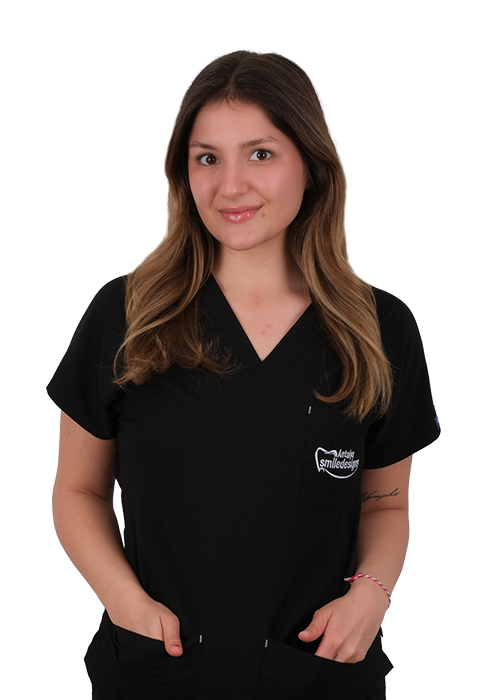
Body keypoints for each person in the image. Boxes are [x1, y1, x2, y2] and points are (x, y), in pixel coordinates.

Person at [47, 50, 440, 700]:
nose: (230, 186)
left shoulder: (379, 329)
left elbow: (386, 502)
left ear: (311, 165)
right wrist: (123, 601)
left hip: (317, 676)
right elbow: (78, 491)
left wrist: (370, 596)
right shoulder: (128, 315)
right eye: (207, 158)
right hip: (158, 673)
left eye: (260, 154)